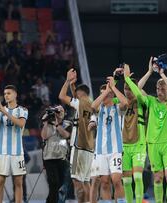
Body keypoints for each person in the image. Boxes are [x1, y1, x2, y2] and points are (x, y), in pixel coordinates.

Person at [128, 56, 167, 203]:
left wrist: (162, 74)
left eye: (163, 89)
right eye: (158, 88)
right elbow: (137, 88)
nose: (159, 91)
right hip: (152, 144)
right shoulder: (150, 101)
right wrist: (150, 71)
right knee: (157, 178)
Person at [90, 74, 128, 203]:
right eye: (102, 94)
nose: (103, 97)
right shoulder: (99, 110)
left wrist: (113, 88)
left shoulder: (118, 109)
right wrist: (106, 90)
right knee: (104, 182)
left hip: (115, 150)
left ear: (112, 95)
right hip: (101, 151)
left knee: (116, 180)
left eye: (106, 94)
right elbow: (92, 106)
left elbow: (125, 102)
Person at [59, 69, 95, 203]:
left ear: (80, 94)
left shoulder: (79, 102)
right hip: (89, 148)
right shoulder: (92, 103)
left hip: (78, 147)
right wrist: (73, 85)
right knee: (86, 181)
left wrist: (68, 80)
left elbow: (62, 96)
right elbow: (75, 96)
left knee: (77, 181)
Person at [0, 85, 28, 203]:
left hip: (17, 152)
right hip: (2, 152)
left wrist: (5, 112)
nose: (6, 96)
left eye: (9, 93)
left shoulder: (23, 110)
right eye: (5, 94)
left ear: (15, 95)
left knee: (18, 182)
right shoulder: (0, 110)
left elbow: (20, 123)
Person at [121, 65, 147, 203]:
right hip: (125, 146)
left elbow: (138, 93)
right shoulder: (121, 103)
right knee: (126, 181)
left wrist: (128, 79)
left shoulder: (142, 101)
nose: (127, 91)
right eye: (125, 88)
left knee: (137, 177)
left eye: (129, 88)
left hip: (139, 144)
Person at [41, 105, 72, 203]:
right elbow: (44, 136)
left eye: (60, 111)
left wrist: (57, 124)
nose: (59, 112)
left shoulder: (68, 124)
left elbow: (66, 135)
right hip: (49, 158)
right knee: (53, 183)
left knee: (62, 185)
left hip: (62, 158)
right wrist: (45, 123)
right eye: (57, 111)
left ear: (64, 113)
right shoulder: (49, 123)